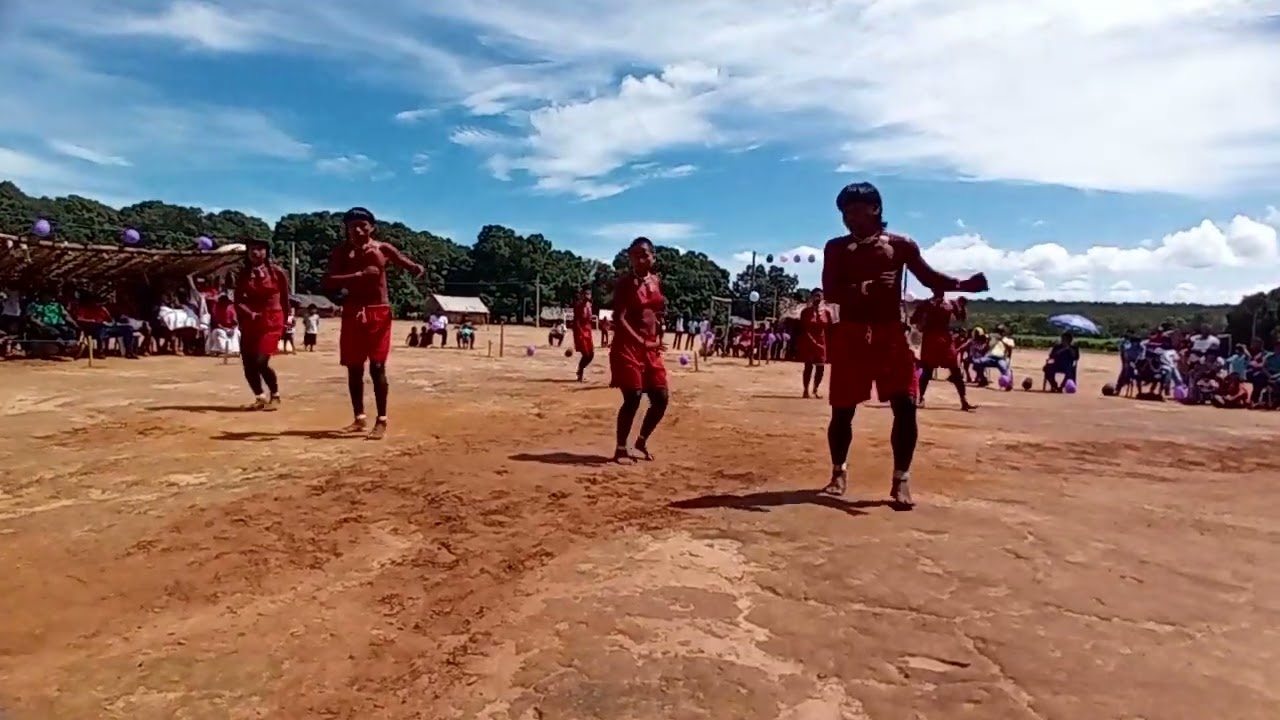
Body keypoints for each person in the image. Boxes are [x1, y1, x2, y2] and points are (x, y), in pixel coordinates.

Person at [821, 182, 987, 507]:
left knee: (906, 406)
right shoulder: (836, 248)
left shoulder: (901, 246)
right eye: (845, 213)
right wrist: (865, 288)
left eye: (856, 212)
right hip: (852, 334)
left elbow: (929, 278)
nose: (850, 219)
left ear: (875, 209)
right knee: (842, 410)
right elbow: (831, 290)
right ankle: (838, 473)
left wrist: (962, 284)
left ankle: (901, 480)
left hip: (890, 336)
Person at [323, 206, 424, 439]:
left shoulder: (382, 249)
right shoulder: (341, 253)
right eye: (352, 227)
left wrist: (415, 269)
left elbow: (404, 262)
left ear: (372, 227)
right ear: (347, 229)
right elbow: (330, 280)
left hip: (378, 312)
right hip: (352, 312)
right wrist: (359, 276)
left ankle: (381, 419)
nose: (357, 230)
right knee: (354, 367)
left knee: (377, 366)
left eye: (362, 226)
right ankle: (359, 417)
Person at [610, 237, 669, 463]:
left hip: (651, 348)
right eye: (635, 255)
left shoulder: (656, 281)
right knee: (633, 396)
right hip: (627, 346)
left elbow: (657, 311)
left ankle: (641, 441)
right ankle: (621, 448)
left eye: (644, 255)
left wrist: (660, 328)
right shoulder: (625, 284)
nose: (640, 259)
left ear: (653, 256)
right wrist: (641, 342)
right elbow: (620, 318)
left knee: (661, 397)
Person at [234, 238, 290, 410]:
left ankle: (275, 394)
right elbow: (237, 300)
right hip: (251, 322)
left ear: (266, 252)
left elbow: (285, 298)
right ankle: (260, 397)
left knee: (261, 361)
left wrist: (287, 322)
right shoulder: (243, 274)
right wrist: (249, 313)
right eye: (251, 249)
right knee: (248, 361)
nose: (255, 252)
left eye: (259, 249)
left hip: (272, 320)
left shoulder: (277, 272)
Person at [911, 290, 975, 410]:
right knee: (927, 371)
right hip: (931, 338)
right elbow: (913, 320)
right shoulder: (926, 304)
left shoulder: (950, 304)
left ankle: (964, 400)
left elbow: (961, 318)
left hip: (945, 340)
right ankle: (920, 398)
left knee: (955, 371)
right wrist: (921, 317)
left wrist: (961, 307)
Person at [797, 289, 832, 398]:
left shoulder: (826, 313)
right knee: (808, 366)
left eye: (820, 296)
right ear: (812, 297)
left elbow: (830, 329)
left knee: (820, 368)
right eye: (816, 296)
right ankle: (805, 390)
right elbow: (801, 328)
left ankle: (815, 390)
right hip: (809, 341)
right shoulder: (805, 312)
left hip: (821, 342)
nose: (818, 298)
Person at [571, 286, 595, 381]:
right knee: (586, 353)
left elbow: (589, 318)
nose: (588, 296)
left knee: (591, 354)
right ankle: (580, 372)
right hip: (580, 330)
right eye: (585, 294)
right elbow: (577, 317)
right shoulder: (579, 304)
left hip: (587, 330)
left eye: (589, 294)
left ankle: (580, 369)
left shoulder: (589, 304)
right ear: (582, 295)